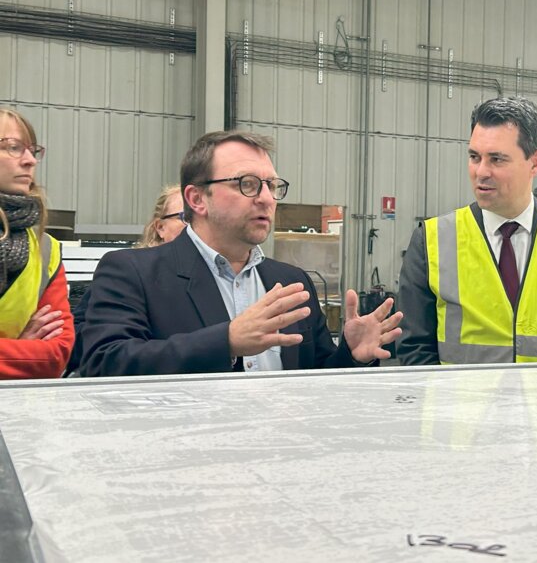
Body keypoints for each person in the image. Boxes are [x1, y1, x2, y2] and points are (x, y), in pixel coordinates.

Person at [79, 130, 402, 376]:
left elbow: (314, 379)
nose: (266, 198)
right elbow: (105, 363)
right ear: (197, 199)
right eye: (247, 184)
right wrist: (226, 341)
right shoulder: (133, 272)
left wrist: (351, 354)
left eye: (271, 185)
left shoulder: (290, 282)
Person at [397, 96, 537, 365]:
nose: (481, 172)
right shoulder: (432, 240)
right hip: (460, 407)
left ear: (535, 163)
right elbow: (414, 349)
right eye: (475, 157)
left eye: (497, 159)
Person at [64, 185, 186, 376]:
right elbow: (82, 338)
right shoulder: (126, 272)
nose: (195, 226)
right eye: (185, 217)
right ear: (160, 227)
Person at [0, 108, 74, 378]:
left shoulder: (45, 249)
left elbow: (56, 355)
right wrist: (22, 349)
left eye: (32, 150)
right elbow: (38, 359)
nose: (30, 161)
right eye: (13, 147)